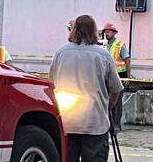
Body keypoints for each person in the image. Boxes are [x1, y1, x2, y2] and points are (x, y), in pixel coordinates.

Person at [50, 15, 124, 162]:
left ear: (74, 30)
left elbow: (51, 83)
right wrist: (110, 103)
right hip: (95, 122)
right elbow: (116, 88)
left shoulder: (60, 53)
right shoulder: (102, 55)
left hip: (66, 121)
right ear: (94, 31)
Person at [102, 22, 130, 131]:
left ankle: (117, 124)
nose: (106, 34)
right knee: (107, 100)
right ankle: (110, 124)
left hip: (120, 75)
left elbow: (127, 60)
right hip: (107, 75)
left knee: (117, 101)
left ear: (114, 33)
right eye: (105, 32)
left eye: (108, 32)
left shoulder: (120, 45)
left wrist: (128, 78)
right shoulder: (104, 46)